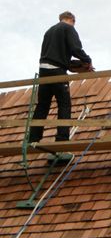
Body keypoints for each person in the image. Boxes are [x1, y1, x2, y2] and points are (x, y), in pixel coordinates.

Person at [29, 11, 94, 143]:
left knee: (42, 105)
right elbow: (76, 49)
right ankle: (62, 139)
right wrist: (87, 60)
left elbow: (58, 56)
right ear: (72, 20)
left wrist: (74, 64)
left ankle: (33, 139)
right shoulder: (68, 28)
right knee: (64, 104)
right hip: (57, 72)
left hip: (44, 71)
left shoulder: (49, 31)